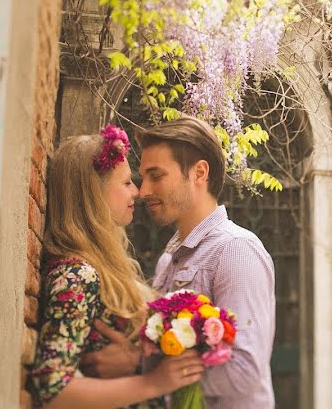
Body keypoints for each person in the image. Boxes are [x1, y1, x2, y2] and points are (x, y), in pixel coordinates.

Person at [81, 117, 276, 409]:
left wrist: (140, 363)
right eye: (143, 177)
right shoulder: (168, 259)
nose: (143, 190)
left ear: (199, 173)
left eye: (156, 176)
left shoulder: (235, 251)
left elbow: (243, 371)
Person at [29, 126, 205, 409]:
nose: (137, 192)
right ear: (94, 193)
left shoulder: (101, 268)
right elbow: (52, 393)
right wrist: (154, 382)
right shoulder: (76, 275)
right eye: (126, 183)